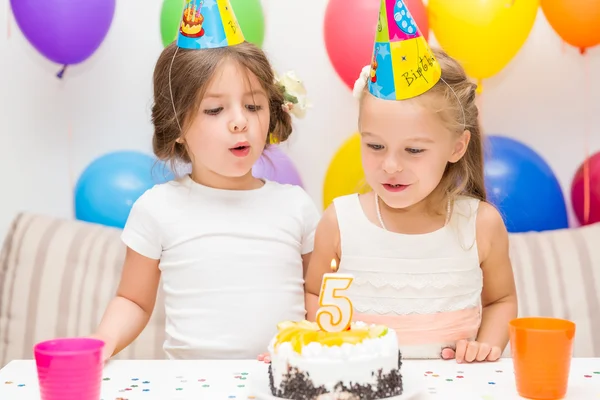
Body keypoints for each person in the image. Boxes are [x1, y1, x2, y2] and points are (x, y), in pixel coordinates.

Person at [92, 0, 320, 361]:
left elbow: (318, 295)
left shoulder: (297, 207)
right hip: (191, 387)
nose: (239, 121)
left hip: (281, 381)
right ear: (178, 125)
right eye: (215, 109)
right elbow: (133, 299)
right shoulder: (157, 209)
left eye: (253, 106)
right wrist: (103, 343)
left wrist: (309, 342)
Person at [304, 0, 517, 364]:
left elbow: (501, 300)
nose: (389, 165)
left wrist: (487, 345)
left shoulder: (480, 225)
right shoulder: (339, 222)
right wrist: (330, 338)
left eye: (413, 150)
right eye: (374, 145)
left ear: (456, 146)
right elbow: (313, 294)